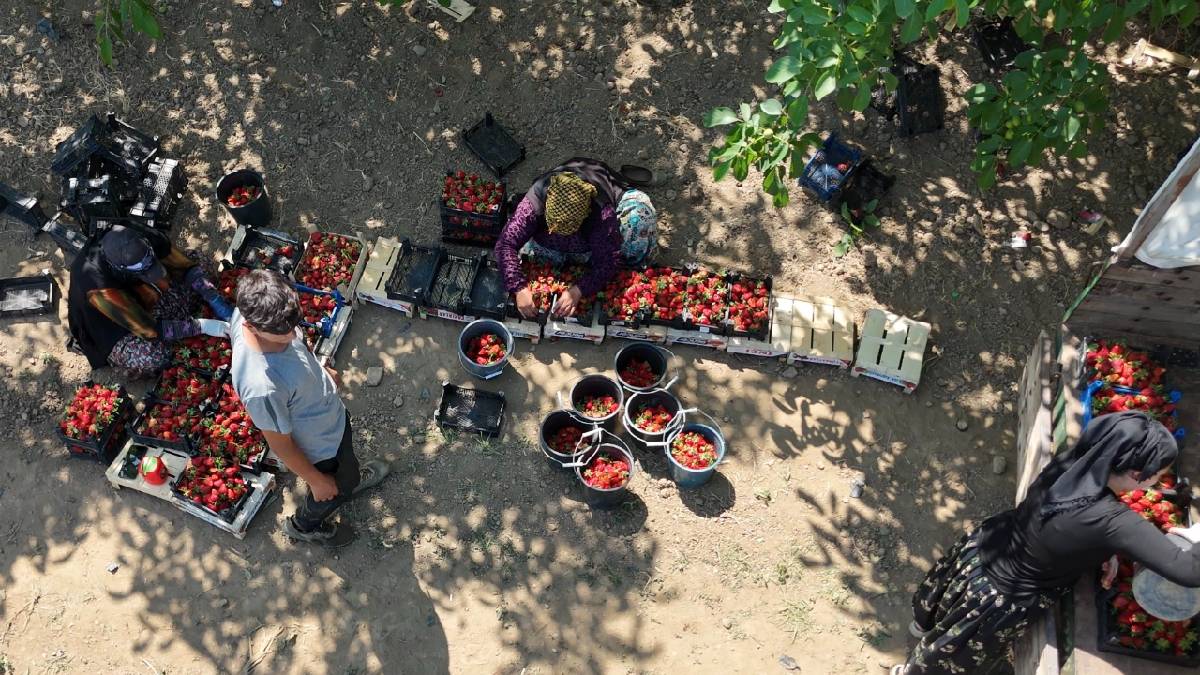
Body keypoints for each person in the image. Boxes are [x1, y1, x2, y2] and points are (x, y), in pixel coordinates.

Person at [891, 411, 1200, 675]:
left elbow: (1065, 530)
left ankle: (921, 626)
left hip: (985, 547)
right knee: (947, 657)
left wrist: (1106, 551)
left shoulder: (1075, 464)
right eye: (1158, 475)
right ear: (1137, 474)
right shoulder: (1112, 520)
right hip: (999, 597)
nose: (1158, 481)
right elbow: (1188, 571)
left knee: (940, 609)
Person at [226, 270, 388, 547]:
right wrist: (315, 480)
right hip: (321, 447)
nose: (291, 334)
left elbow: (296, 345)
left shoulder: (263, 310)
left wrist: (319, 372)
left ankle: (348, 478)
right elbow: (281, 444)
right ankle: (305, 524)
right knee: (336, 485)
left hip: (328, 421)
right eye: (281, 332)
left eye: (293, 324)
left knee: (346, 463)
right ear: (252, 327)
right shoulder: (262, 386)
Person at [495, 157, 657, 319]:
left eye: (570, 227)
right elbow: (505, 244)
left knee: (640, 219)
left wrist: (578, 290)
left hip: (589, 240)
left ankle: (629, 268)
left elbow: (608, 261)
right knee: (535, 259)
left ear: (586, 213)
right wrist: (518, 287)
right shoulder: (534, 202)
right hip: (551, 243)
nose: (562, 232)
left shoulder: (602, 214)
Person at [67, 225, 233, 379]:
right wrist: (200, 326)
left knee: (202, 264)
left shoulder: (137, 233)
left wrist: (213, 297)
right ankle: (122, 361)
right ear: (120, 269)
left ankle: (183, 316)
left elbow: (185, 266)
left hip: (147, 295)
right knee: (153, 356)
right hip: (119, 323)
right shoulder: (96, 284)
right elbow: (150, 330)